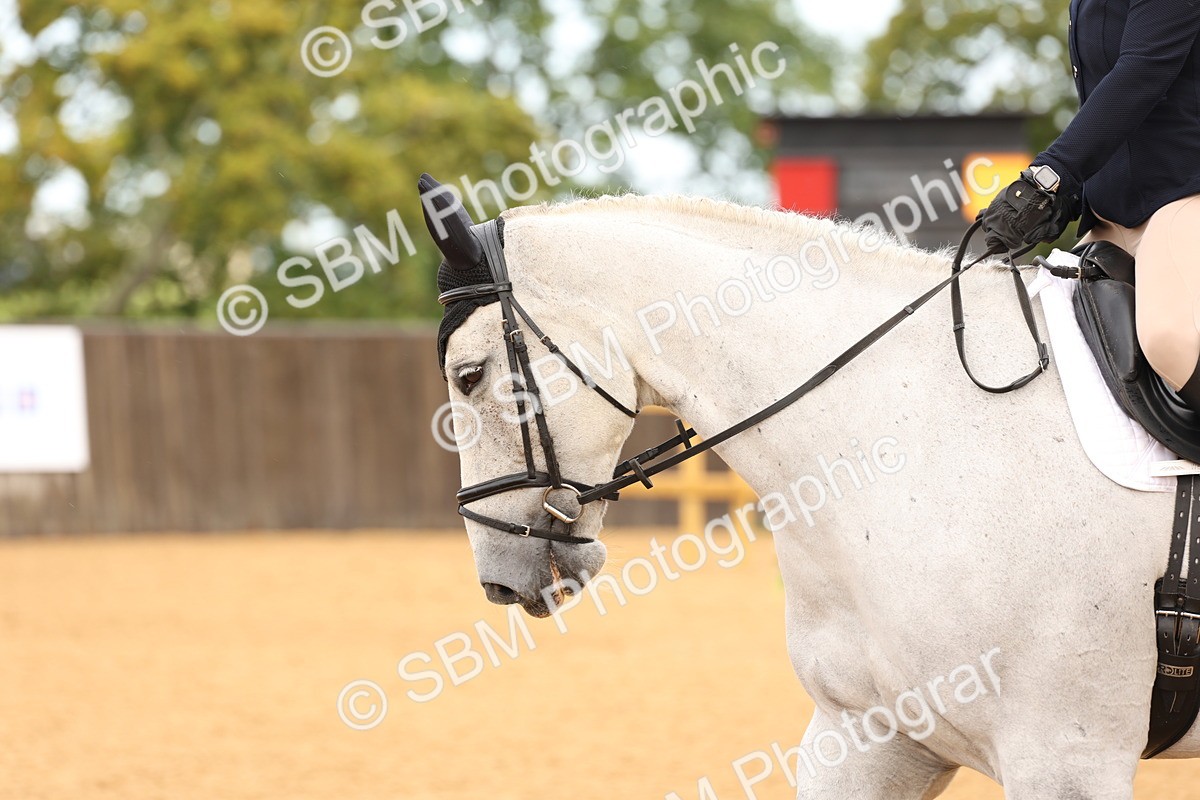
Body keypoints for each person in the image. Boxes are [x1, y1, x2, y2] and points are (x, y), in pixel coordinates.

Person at [979, 0, 1200, 409]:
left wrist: (1051, 176)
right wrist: (1072, 193)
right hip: (1111, 212)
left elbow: (1144, 70)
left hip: (1185, 192)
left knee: (1171, 337)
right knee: (1026, 328)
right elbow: (1106, 101)